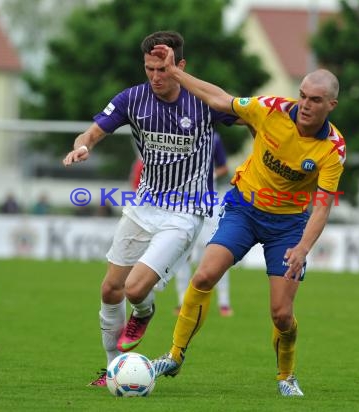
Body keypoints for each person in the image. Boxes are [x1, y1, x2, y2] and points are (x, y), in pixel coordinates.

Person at [149, 44, 346, 397]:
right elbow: (221, 100)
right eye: (302, 96)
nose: (305, 104)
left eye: (315, 100)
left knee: (281, 314)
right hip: (243, 208)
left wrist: (302, 248)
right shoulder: (270, 110)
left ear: (331, 105)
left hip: (287, 226)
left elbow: (323, 206)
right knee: (205, 274)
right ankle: (174, 355)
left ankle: (286, 377)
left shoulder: (332, 148)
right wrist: (175, 73)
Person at [61, 31, 239, 387]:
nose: (156, 77)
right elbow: (93, 132)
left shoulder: (201, 100)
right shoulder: (133, 99)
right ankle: (113, 368)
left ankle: (143, 311)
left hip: (186, 212)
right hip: (143, 206)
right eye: (150, 69)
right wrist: (83, 146)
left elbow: (235, 107)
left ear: (179, 66)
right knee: (110, 290)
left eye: (163, 68)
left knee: (135, 290)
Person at [173, 131, 233, 317]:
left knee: (217, 253)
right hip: (183, 203)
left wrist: (209, 175)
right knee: (182, 254)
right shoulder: (177, 136)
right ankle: (182, 300)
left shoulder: (213, 138)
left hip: (210, 204)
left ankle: (224, 302)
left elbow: (224, 167)